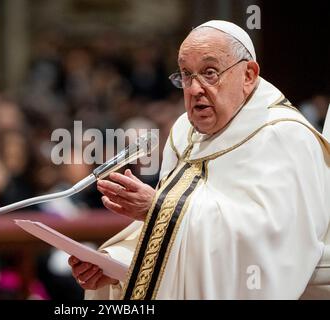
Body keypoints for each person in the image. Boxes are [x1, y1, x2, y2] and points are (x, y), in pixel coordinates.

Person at [68, 20, 330, 299]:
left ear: (249, 75)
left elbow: (272, 247)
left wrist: (159, 209)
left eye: (210, 73)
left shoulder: (287, 137)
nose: (194, 89)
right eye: (186, 75)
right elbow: (174, 240)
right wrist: (119, 263)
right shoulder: (183, 133)